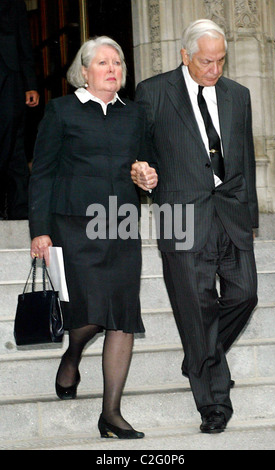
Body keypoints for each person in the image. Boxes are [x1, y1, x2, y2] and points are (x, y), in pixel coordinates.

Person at [131, 19, 258, 434]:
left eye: (220, 60)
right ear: (185, 56)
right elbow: (139, 153)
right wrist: (142, 175)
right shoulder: (153, 92)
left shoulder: (238, 95)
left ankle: (199, 356)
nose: (214, 69)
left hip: (231, 213)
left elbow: (247, 160)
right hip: (181, 215)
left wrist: (250, 215)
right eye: (206, 61)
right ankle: (214, 405)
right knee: (197, 308)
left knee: (245, 295)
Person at [29, 36, 157, 439]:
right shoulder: (61, 111)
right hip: (73, 224)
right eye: (103, 62)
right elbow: (44, 172)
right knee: (89, 310)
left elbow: (145, 166)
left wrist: (147, 178)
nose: (112, 68)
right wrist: (40, 230)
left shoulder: (134, 115)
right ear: (83, 72)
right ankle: (73, 353)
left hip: (119, 222)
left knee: (120, 315)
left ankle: (111, 414)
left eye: (117, 62)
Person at [0, 0, 39, 220]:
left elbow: (23, 38)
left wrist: (29, 83)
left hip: (10, 74)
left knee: (14, 140)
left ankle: (20, 210)